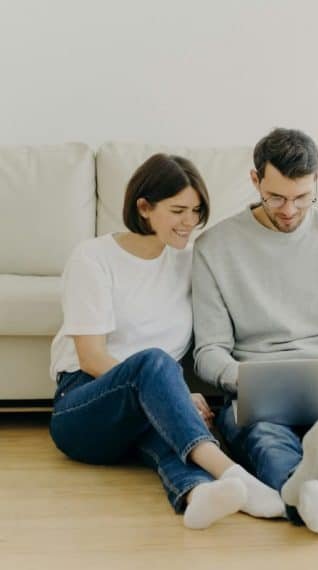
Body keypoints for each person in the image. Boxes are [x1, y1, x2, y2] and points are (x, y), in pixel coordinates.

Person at [49, 154, 285, 529]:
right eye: (178, 210)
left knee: (169, 434)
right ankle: (235, 475)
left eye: (196, 210)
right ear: (144, 207)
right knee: (155, 362)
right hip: (83, 408)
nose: (189, 222)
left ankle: (198, 495)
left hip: (148, 410)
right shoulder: (93, 257)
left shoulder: (190, 262)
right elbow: (92, 357)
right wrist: (170, 389)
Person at [192, 128, 318, 536]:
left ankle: (307, 494)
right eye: (277, 198)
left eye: (302, 197)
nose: (289, 210)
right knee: (263, 436)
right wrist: (243, 378)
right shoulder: (215, 247)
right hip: (258, 386)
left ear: (317, 181)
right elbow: (209, 350)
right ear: (255, 181)